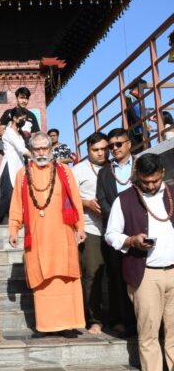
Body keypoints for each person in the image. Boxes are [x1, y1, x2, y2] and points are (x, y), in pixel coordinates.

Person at [105, 153, 174, 371]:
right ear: (137, 177)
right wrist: (131, 240)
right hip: (145, 275)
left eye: (155, 180)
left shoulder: (172, 194)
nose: (151, 186)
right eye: (145, 181)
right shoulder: (124, 200)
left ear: (162, 173)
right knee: (148, 332)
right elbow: (111, 234)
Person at [9, 132, 86, 338]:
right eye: (37, 149)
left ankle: (68, 324)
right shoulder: (22, 175)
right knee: (42, 281)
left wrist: (80, 227)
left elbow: (76, 201)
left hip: (63, 235)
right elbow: (16, 204)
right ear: (31, 151)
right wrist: (14, 229)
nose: (41, 152)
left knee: (65, 279)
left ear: (51, 149)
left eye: (45, 148)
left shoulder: (64, 172)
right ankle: (46, 325)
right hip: (38, 237)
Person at [96, 128, 137, 335]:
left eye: (119, 144)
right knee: (117, 276)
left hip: (139, 228)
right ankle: (123, 320)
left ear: (129, 143)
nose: (114, 148)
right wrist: (118, 221)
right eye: (111, 145)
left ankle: (141, 320)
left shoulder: (140, 165)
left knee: (139, 276)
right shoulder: (105, 172)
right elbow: (102, 199)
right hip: (115, 232)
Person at [72, 132, 109, 334]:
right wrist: (86, 203)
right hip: (90, 228)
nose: (101, 153)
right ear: (88, 150)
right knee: (92, 274)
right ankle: (94, 319)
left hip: (115, 229)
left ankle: (118, 318)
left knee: (116, 275)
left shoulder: (114, 168)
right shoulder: (78, 170)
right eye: (96, 150)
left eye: (104, 149)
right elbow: (68, 198)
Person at [0, 107, 31, 225]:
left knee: (20, 192)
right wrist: (35, 156)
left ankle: (17, 218)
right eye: (22, 119)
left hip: (20, 165)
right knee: (7, 193)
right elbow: (21, 148)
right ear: (15, 118)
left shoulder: (20, 133)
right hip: (10, 165)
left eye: (25, 119)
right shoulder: (8, 131)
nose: (23, 121)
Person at [125, 77, 148, 149]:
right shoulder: (129, 98)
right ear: (138, 87)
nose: (143, 91)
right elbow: (132, 114)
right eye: (143, 88)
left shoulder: (137, 99)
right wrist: (143, 123)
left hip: (142, 130)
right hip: (135, 133)